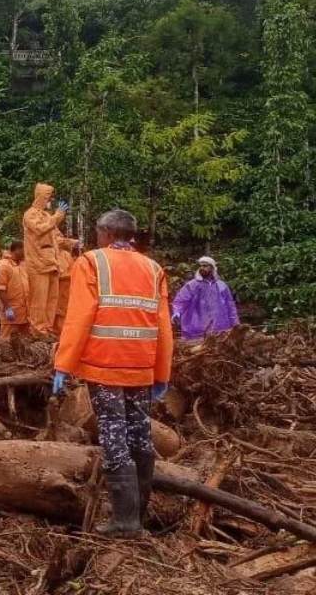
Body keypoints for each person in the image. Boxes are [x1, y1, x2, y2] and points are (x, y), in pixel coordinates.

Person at [52, 209, 174, 537]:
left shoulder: (91, 262)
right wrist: (162, 371)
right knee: (140, 434)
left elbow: (79, 316)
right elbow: (163, 325)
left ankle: (124, 521)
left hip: (105, 366)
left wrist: (64, 364)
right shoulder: (153, 268)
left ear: (105, 234)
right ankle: (138, 515)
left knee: (113, 435)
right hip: (141, 368)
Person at [22, 183, 70, 335]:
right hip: (37, 263)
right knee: (39, 300)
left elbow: (55, 238)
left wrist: (70, 242)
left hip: (51, 263)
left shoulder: (47, 216)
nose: (51, 200)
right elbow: (39, 229)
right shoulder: (30, 214)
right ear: (41, 197)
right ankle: (37, 329)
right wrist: (57, 217)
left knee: (52, 299)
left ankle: (47, 328)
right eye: (48, 196)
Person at [172, 256, 240, 341]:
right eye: (201, 266)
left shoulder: (221, 286)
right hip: (196, 332)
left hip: (220, 331)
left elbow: (230, 306)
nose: (202, 268)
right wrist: (177, 313)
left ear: (212, 268)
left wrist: (235, 324)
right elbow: (180, 301)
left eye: (205, 266)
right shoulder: (192, 285)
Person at [0, 241, 30, 342]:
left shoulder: (22, 265)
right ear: (18, 250)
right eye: (24, 250)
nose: (25, 253)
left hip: (24, 313)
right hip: (11, 312)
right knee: (6, 342)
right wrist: (7, 308)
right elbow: (1, 289)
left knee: (24, 343)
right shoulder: (3, 266)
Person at [54, 231, 82, 333]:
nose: (61, 238)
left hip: (67, 290)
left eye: (61, 236)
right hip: (57, 290)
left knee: (65, 313)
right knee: (57, 314)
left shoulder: (66, 254)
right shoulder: (50, 254)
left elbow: (72, 269)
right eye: (58, 237)